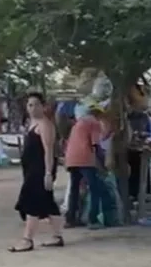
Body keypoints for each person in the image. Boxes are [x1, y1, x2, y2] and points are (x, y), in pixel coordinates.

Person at [9, 93, 64, 252]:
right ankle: (57, 236)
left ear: (43, 106)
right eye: (30, 105)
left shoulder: (45, 125)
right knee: (48, 203)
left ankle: (27, 239)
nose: (32, 108)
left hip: (40, 170)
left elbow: (48, 151)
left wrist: (48, 173)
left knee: (31, 202)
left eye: (36, 104)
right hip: (31, 168)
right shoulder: (32, 123)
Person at [64, 102, 114, 230]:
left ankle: (70, 219)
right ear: (97, 114)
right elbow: (95, 144)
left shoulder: (78, 123)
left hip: (71, 158)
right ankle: (93, 219)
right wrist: (102, 163)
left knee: (74, 190)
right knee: (95, 189)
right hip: (85, 158)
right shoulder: (94, 123)